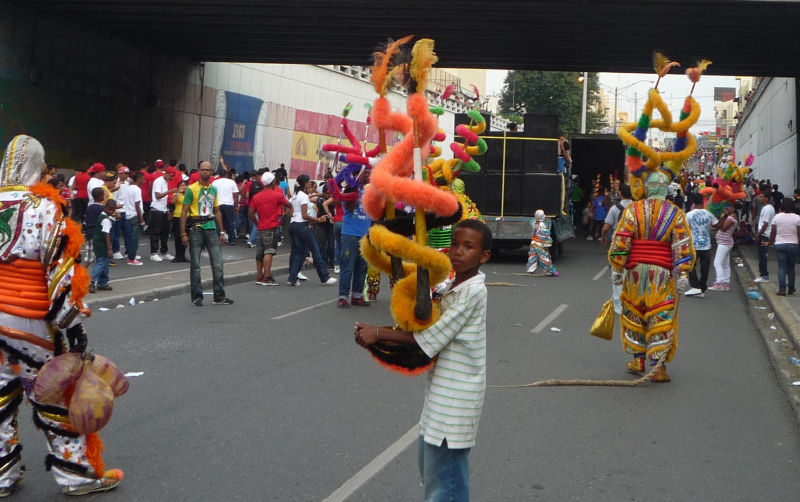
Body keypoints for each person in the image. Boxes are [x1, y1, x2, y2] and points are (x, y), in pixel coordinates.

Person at [0, 135, 123, 496]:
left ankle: (2, 478)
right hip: (28, 321)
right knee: (52, 394)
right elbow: (61, 274)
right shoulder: (44, 207)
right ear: (37, 166)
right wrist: (74, 327)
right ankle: (76, 476)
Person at [353, 219, 492, 502]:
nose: (458, 251)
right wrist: (403, 297)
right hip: (440, 395)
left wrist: (379, 333)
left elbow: (432, 337)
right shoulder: (449, 284)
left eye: (468, 247)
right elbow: (421, 322)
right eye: (455, 244)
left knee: (446, 483)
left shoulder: (474, 292)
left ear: (484, 256)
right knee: (431, 472)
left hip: (456, 399)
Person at [608, 170, 695, 382]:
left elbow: (621, 241)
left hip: (635, 272)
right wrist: (683, 273)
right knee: (661, 314)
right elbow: (681, 245)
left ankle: (638, 359)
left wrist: (618, 269)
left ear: (646, 189)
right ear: (666, 190)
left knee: (635, 312)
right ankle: (659, 366)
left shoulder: (633, 211)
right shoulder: (675, 214)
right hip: (662, 273)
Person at [180, 161, 233, 306]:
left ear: (211, 172)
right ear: (199, 171)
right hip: (195, 228)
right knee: (195, 265)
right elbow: (184, 211)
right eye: (202, 170)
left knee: (218, 263)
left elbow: (217, 211)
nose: (205, 172)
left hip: (211, 228)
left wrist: (222, 231)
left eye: (207, 170)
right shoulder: (191, 189)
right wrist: (183, 233)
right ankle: (197, 297)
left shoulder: (214, 189)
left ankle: (219, 296)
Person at [286, 174, 337, 287]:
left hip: (293, 224)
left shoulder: (294, 196)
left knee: (297, 251)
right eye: (309, 182)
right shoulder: (303, 196)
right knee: (315, 250)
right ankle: (325, 277)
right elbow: (304, 215)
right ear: (305, 183)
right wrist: (318, 219)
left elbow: (290, 211)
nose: (310, 183)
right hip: (302, 225)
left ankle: (292, 277)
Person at [249, 172, 289, 286]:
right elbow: (288, 204)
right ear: (273, 182)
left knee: (260, 252)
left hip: (260, 226)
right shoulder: (277, 195)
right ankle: (267, 277)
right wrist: (284, 215)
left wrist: (257, 223)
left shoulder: (257, 196)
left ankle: (259, 276)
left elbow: (251, 213)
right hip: (271, 226)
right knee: (269, 251)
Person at [337, 179, 371, 307]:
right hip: (350, 234)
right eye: (365, 172)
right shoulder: (350, 190)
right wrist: (356, 190)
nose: (368, 175)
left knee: (362, 268)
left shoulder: (371, 191)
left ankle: (357, 295)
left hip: (365, 235)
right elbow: (349, 207)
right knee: (347, 267)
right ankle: (343, 297)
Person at [684, 193, 719, 298]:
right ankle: (702, 288)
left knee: (691, 266)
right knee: (705, 269)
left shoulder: (689, 215)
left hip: (693, 244)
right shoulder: (709, 214)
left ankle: (695, 287)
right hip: (706, 245)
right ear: (703, 201)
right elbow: (718, 225)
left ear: (693, 202)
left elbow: (686, 229)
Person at [768, 198, 800, 295]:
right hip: (793, 244)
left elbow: (773, 232)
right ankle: (791, 288)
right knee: (791, 268)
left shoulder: (777, 217)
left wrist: (770, 242)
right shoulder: (797, 217)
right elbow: (799, 233)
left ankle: (782, 289)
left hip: (780, 244)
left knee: (781, 267)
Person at [149, 166, 178, 261]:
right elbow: (157, 196)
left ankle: (164, 251)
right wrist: (170, 191)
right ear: (166, 173)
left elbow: (164, 199)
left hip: (163, 209)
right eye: (171, 176)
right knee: (155, 231)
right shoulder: (159, 181)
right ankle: (153, 253)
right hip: (156, 209)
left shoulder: (165, 181)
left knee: (165, 232)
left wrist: (167, 209)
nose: (172, 178)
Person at [89, 199, 117, 293]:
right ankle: (92, 282)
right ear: (107, 208)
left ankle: (103, 283)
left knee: (105, 264)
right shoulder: (106, 220)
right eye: (111, 210)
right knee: (101, 264)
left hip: (98, 242)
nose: (112, 212)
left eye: (113, 210)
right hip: (103, 245)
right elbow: (107, 234)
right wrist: (110, 249)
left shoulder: (101, 215)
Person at [709, 203, 739, 292]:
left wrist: (721, 219)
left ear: (733, 208)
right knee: (725, 263)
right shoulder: (730, 217)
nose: (726, 209)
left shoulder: (731, 218)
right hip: (725, 242)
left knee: (717, 263)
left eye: (728, 207)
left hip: (724, 243)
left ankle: (720, 283)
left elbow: (723, 228)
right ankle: (725, 283)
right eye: (725, 207)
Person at [121, 172, 145, 265]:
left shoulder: (128, 188)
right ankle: (131, 258)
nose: (144, 181)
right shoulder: (137, 189)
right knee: (135, 238)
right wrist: (142, 220)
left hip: (128, 214)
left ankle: (130, 254)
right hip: (135, 215)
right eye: (143, 179)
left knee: (130, 236)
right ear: (138, 179)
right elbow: (137, 205)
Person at [526, 209, 558, 277]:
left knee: (532, 256)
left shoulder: (533, 223)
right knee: (544, 257)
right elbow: (545, 236)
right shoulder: (542, 225)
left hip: (533, 242)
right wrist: (546, 244)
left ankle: (531, 270)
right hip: (539, 243)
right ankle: (549, 271)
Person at [212, 169, 240, 244]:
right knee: (230, 222)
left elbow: (212, 194)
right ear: (227, 175)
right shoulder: (232, 182)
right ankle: (232, 240)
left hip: (218, 204)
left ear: (220, 175)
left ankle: (218, 239)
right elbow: (235, 195)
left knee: (218, 222)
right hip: (229, 204)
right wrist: (236, 205)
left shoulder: (215, 182)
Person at [754, 186, 775, 283]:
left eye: (761, 197)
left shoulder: (767, 209)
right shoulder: (769, 208)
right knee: (761, 255)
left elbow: (765, 223)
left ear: (766, 198)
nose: (760, 198)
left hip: (764, 235)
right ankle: (762, 275)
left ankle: (764, 275)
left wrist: (758, 235)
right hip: (765, 234)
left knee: (762, 255)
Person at [170, 179, 189, 262]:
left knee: (186, 236)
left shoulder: (189, 194)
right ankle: (178, 255)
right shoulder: (176, 194)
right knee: (178, 237)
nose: (183, 187)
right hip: (178, 217)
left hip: (188, 217)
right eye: (181, 185)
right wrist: (178, 192)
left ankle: (183, 255)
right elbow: (172, 202)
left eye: (184, 185)